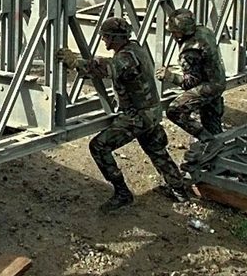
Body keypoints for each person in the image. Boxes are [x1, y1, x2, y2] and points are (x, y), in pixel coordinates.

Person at [56, 17, 186, 212]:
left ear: (115, 38)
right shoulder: (135, 48)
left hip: (138, 116)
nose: (103, 40)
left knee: (99, 146)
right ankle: (179, 189)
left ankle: (122, 193)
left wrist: (75, 62)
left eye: (106, 37)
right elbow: (110, 64)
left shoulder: (125, 59)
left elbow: (107, 68)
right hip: (151, 111)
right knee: (155, 149)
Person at [158, 9, 226, 165]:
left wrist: (170, 76)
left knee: (175, 110)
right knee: (211, 121)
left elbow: (191, 83)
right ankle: (220, 159)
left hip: (208, 86)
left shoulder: (190, 50)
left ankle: (208, 141)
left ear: (181, 32)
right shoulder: (204, 31)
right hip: (218, 80)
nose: (172, 35)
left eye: (174, 32)